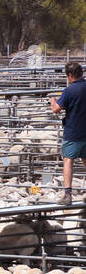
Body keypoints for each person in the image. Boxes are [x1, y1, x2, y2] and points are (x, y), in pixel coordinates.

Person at [51, 61, 86, 208]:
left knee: (68, 161)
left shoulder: (68, 91)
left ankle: (68, 194)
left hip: (72, 132)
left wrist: (52, 101)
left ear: (70, 76)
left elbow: (56, 109)